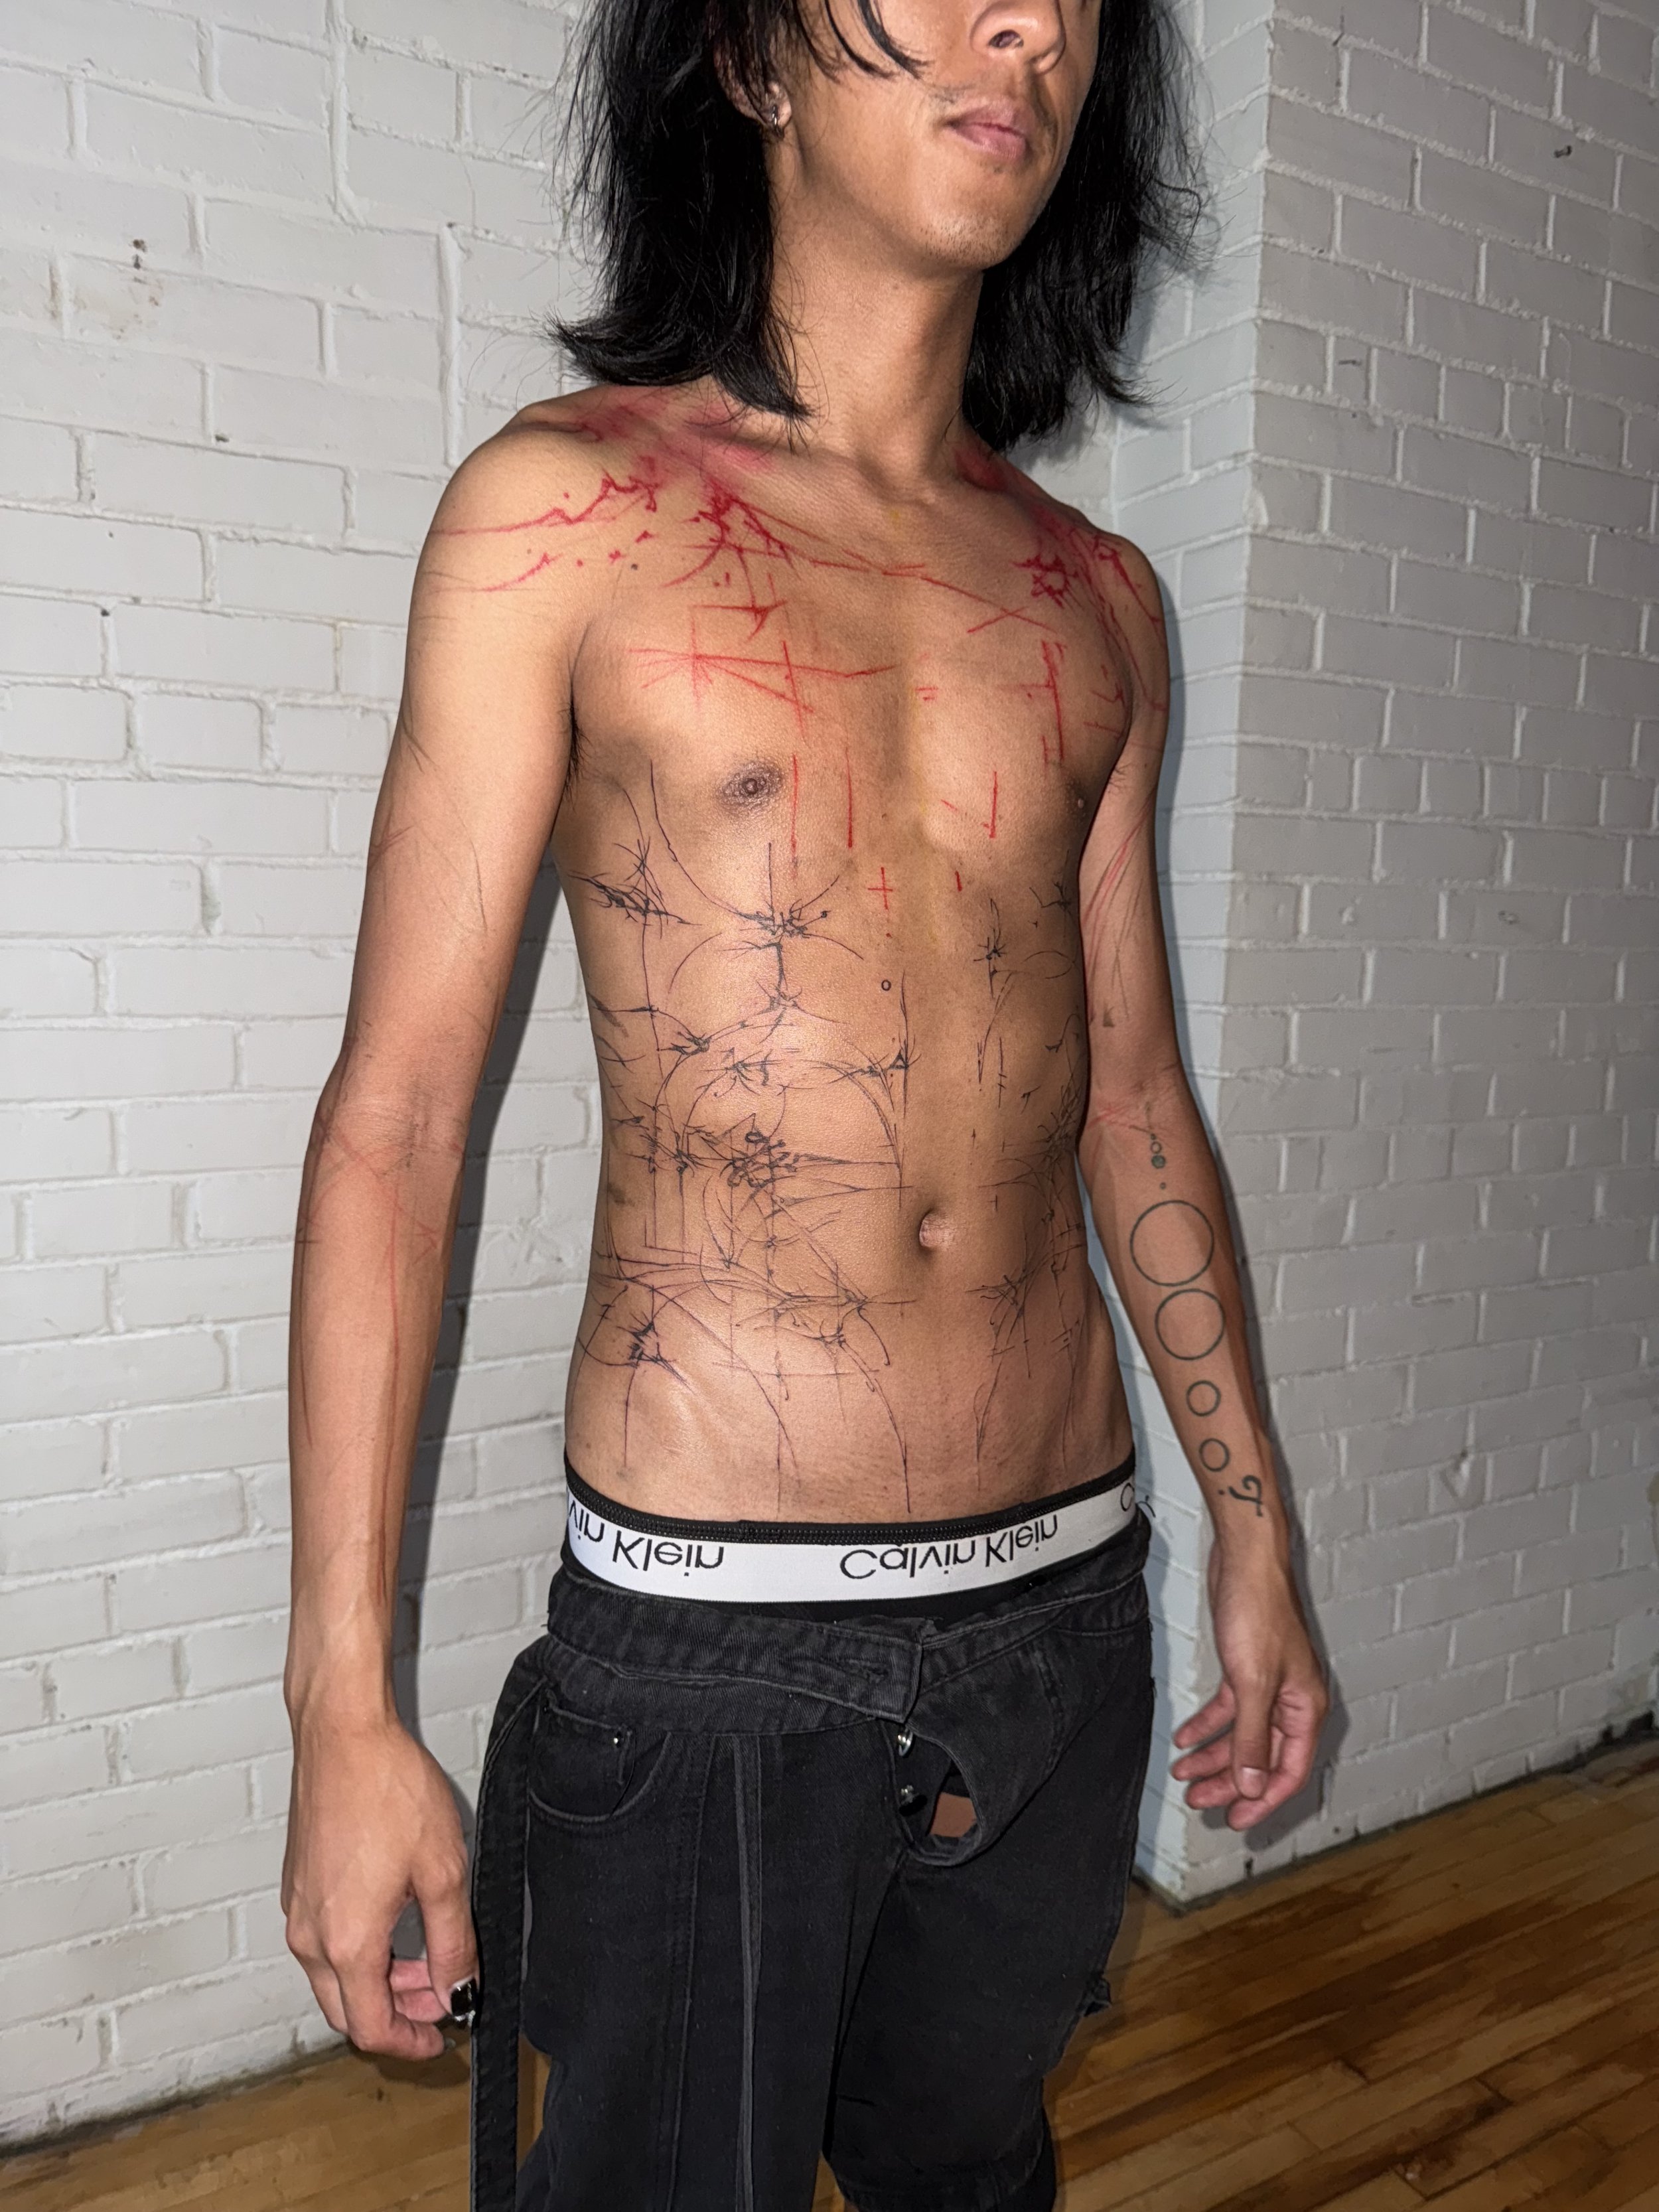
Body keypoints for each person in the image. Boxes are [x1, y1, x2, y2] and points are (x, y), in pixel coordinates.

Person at [280, 1, 1329, 2205]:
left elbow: (1132, 1099)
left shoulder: (1095, 597)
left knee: (970, 2173)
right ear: (750, 61)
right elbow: (396, 1124)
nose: (1028, 26)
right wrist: (340, 1710)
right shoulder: (565, 517)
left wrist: (1249, 1528)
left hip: (1064, 1604)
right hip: (713, 1637)